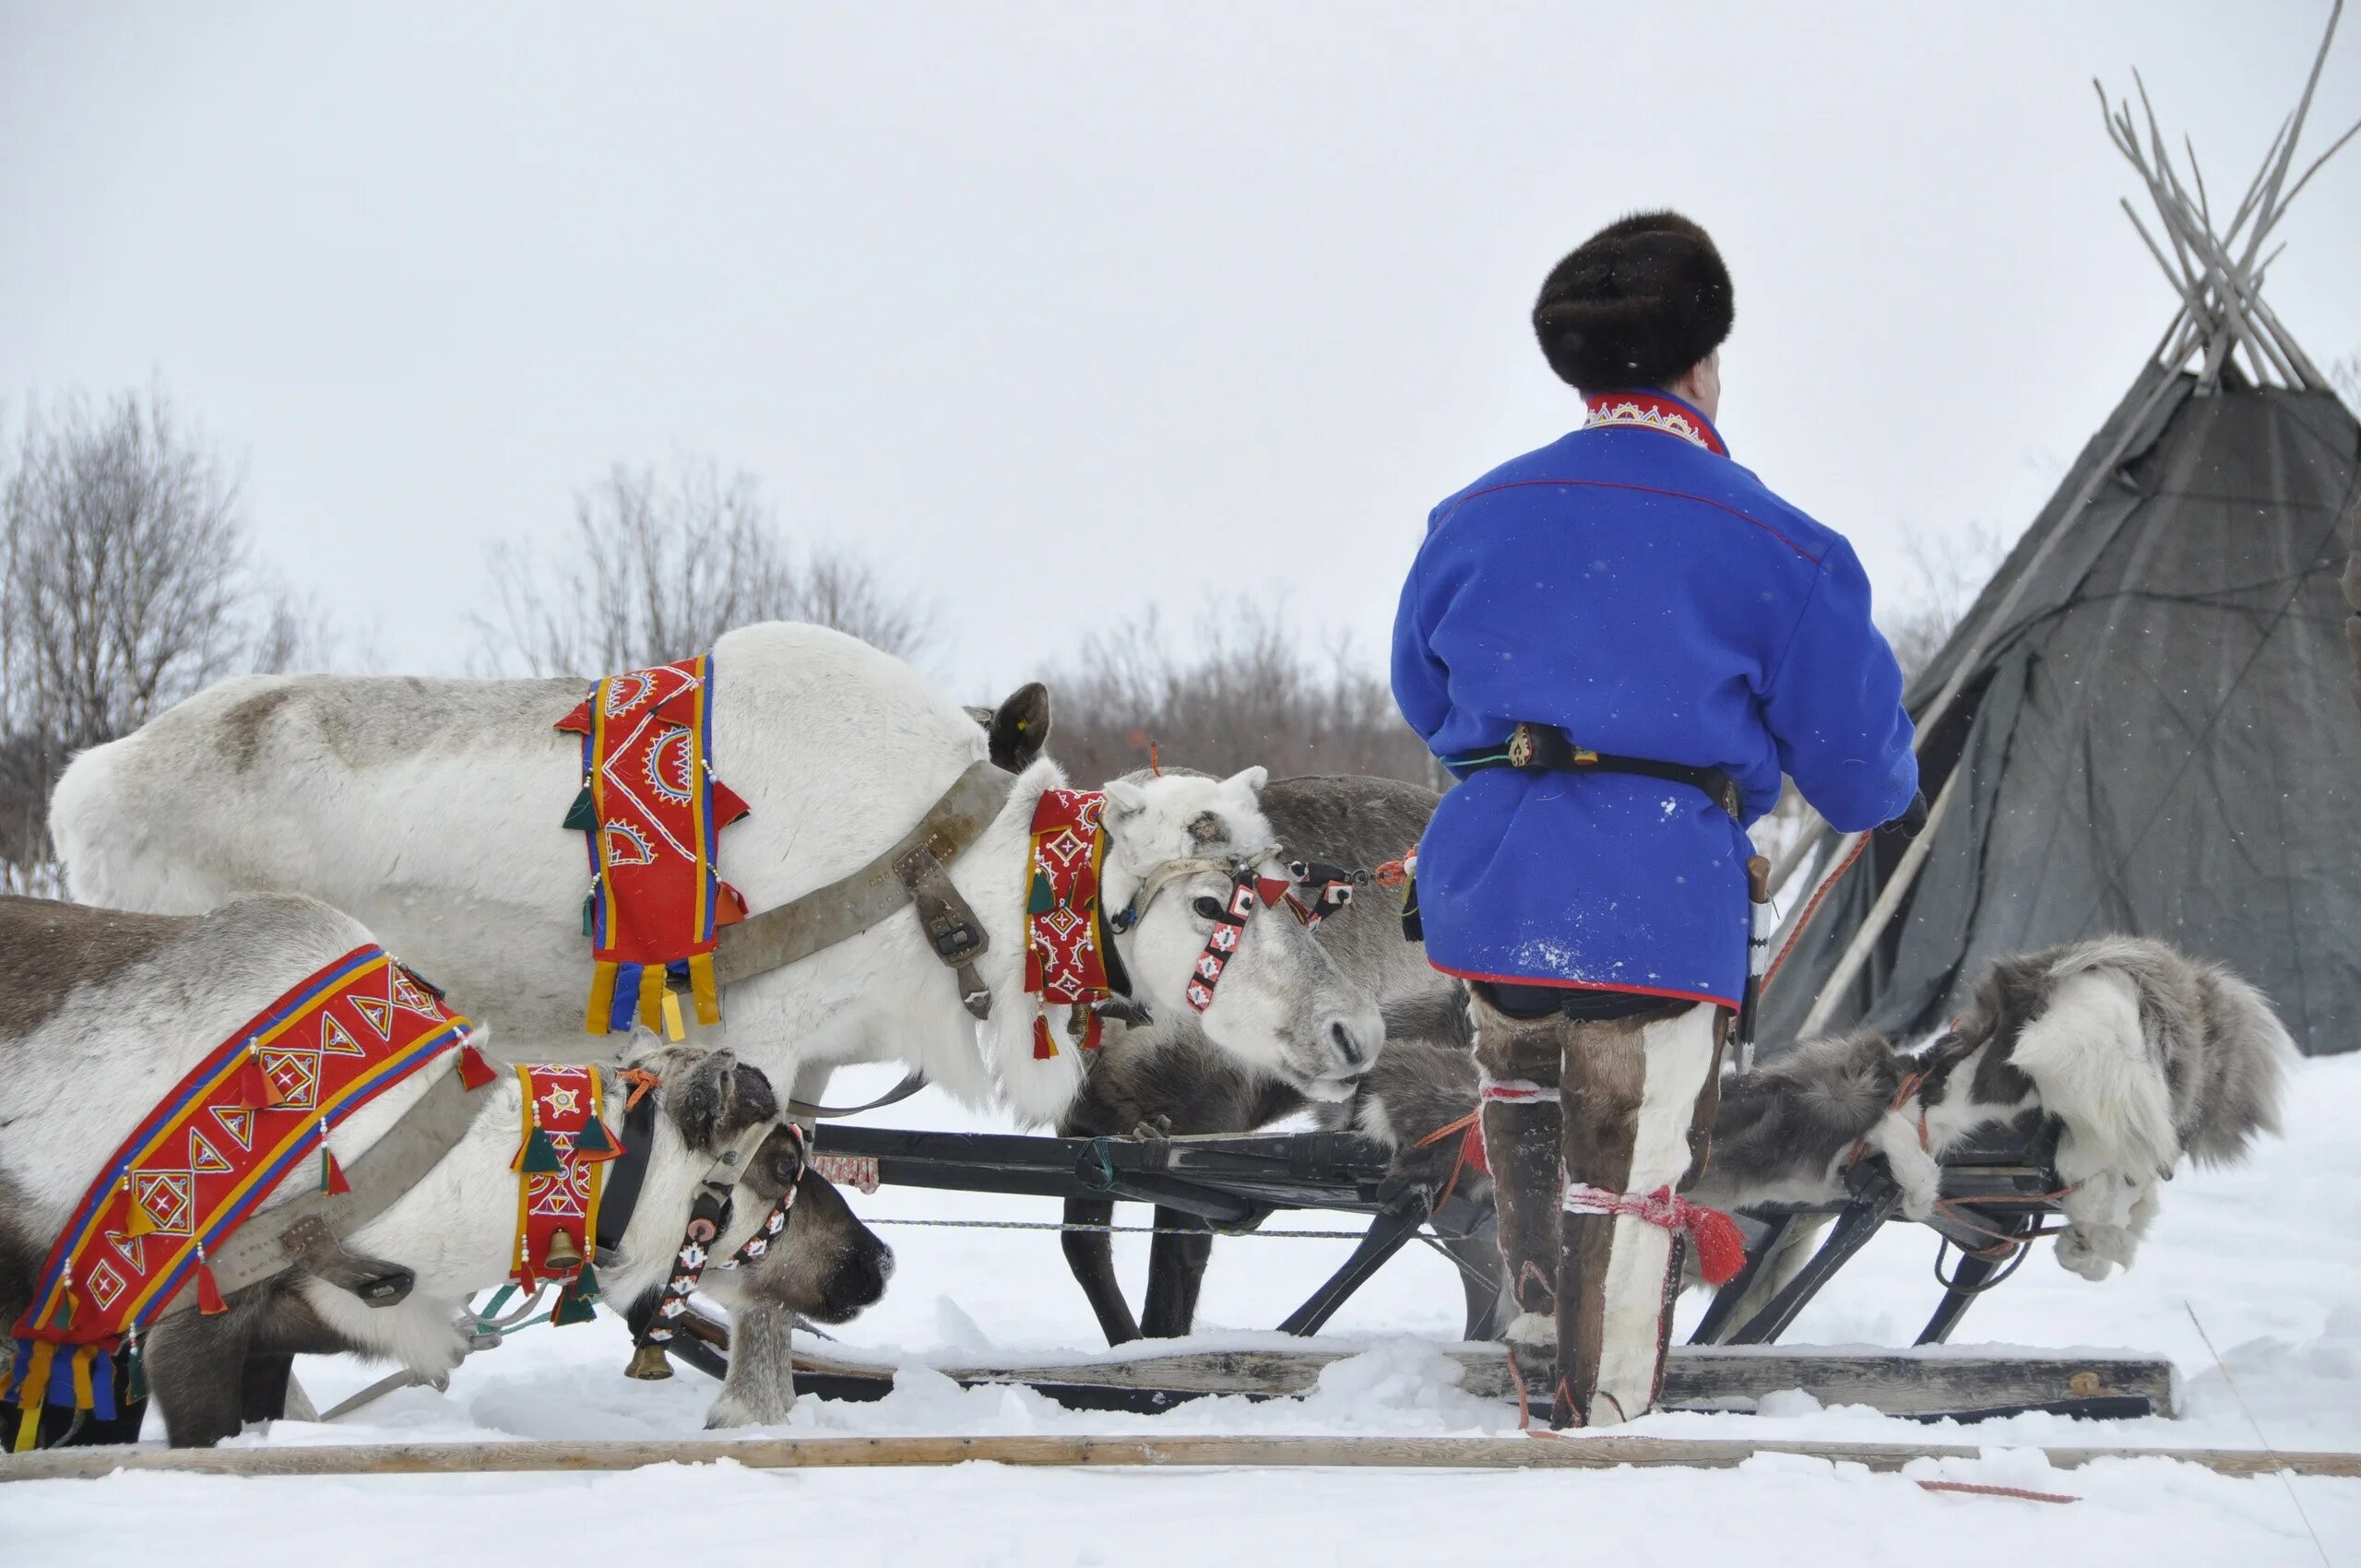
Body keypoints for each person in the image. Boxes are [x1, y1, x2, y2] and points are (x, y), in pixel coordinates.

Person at [1390, 211, 1921, 1427]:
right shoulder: (1782, 543)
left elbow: (1429, 697)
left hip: (1498, 893)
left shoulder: (1469, 518)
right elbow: (1856, 767)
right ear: (1703, 366)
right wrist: (1885, 785)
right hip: (1656, 903)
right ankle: (1602, 1420)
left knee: (1525, 1113)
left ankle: (1535, 1360)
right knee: (1628, 1171)